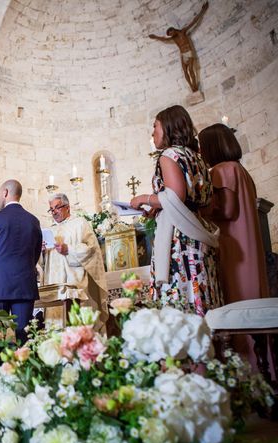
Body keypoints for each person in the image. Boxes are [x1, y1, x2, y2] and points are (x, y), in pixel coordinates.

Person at [130, 105, 222, 316]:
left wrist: (144, 199)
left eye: (155, 126)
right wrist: (158, 208)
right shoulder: (197, 157)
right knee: (201, 290)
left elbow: (175, 196)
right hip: (198, 230)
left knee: (181, 298)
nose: (152, 133)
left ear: (169, 127)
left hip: (179, 239)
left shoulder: (169, 155)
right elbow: (203, 202)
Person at [199, 123, 269, 302]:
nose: (200, 150)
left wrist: (200, 213)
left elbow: (228, 211)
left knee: (237, 291)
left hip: (232, 242)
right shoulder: (240, 169)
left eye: (202, 145)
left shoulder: (220, 170)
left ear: (211, 147)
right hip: (247, 240)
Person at [0, 179, 42, 344]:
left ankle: (0, 369)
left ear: (5, 193)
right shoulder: (33, 221)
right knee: (24, 338)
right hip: (24, 284)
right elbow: (35, 254)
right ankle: (22, 368)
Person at [42, 192, 108, 328]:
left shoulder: (80, 224)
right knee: (56, 328)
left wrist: (69, 249)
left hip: (75, 282)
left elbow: (92, 250)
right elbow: (43, 263)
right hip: (54, 284)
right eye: (51, 209)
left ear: (68, 207)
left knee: (78, 326)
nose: (54, 212)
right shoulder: (49, 230)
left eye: (57, 207)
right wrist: (41, 250)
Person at [148, 2, 208, 92]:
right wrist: (155, 37)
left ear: (173, 30)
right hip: (183, 54)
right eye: (170, 35)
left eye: (171, 33)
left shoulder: (183, 32)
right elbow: (164, 39)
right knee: (185, 71)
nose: (171, 35)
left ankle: (195, 85)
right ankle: (192, 87)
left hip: (189, 52)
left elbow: (194, 22)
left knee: (191, 69)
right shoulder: (174, 38)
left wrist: (202, 10)